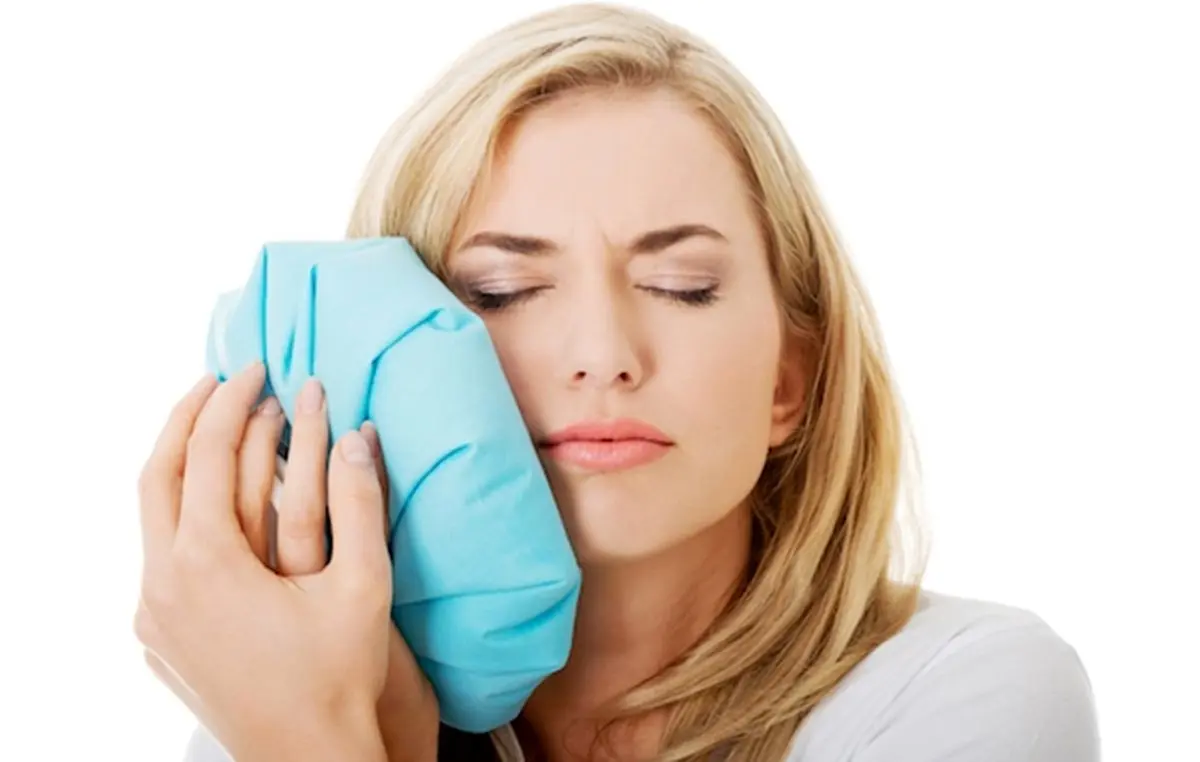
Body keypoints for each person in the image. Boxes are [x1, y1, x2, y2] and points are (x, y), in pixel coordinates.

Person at [135, 3, 1100, 761]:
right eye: (504, 292)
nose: (603, 353)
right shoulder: (277, 702)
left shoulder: (967, 689)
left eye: (681, 285)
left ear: (789, 382)